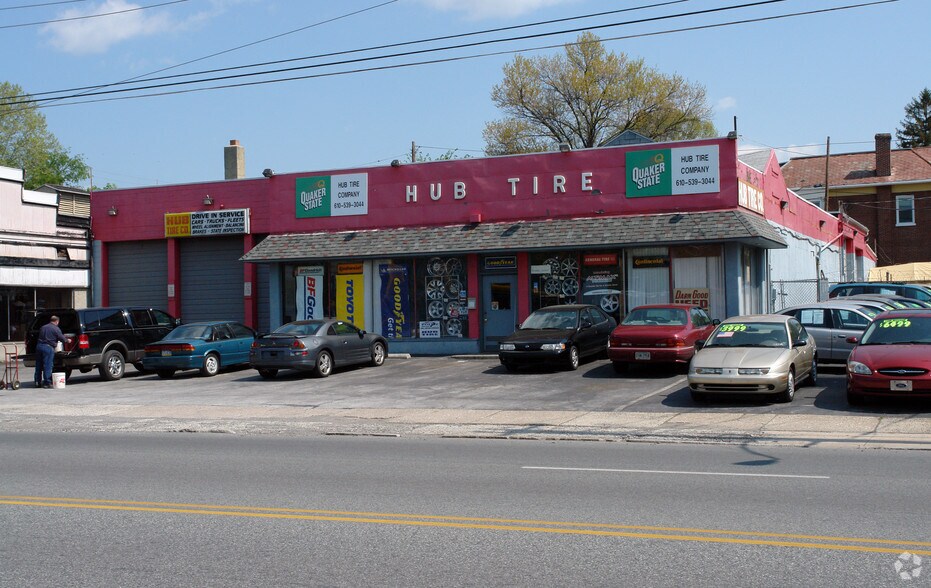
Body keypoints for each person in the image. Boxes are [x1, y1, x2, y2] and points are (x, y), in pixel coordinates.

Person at [35, 315, 67, 389]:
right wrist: (67, 340)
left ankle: (37, 382)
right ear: (57, 321)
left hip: (39, 347)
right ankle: (47, 383)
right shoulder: (56, 328)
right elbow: (61, 338)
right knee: (48, 365)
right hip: (48, 348)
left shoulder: (43, 327)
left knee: (38, 365)